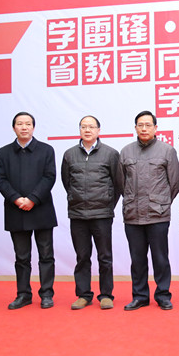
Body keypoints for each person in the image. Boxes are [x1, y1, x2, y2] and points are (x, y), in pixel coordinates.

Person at [0, 111, 58, 309]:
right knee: (21, 257)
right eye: (20, 124)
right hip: (16, 210)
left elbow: (49, 176)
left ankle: (46, 294)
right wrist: (16, 199)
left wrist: (33, 199)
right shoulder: (4, 152)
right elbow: (0, 179)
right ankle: (23, 294)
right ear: (14, 127)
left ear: (33, 127)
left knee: (46, 255)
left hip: (41, 209)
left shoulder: (46, 150)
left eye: (28, 124)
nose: (24, 127)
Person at [61, 115, 123, 310]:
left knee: (105, 257)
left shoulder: (110, 154)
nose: (87, 130)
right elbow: (66, 182)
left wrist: (107, 204)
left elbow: (118, 184)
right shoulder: (69, 154)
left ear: (98, 130)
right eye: (83, 127)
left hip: (102, 214)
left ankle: (106, 295)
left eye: (91, 127)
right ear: (79, 130)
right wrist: (76, 199)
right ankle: (83, 295)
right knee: (82, 257)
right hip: (78, 214)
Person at [120, 111, 179, 310]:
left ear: (156, 128)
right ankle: (140, 296)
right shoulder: (126, 152)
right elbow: (121, 183)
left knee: (160, 258)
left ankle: (163, 295)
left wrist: (160, 202)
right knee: (137, 259)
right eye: (140, 125)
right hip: (133, 215)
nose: (144, 128)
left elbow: (175, 183)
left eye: (148, 125)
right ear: (135, 128)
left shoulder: (167, 151)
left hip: (158, 215)